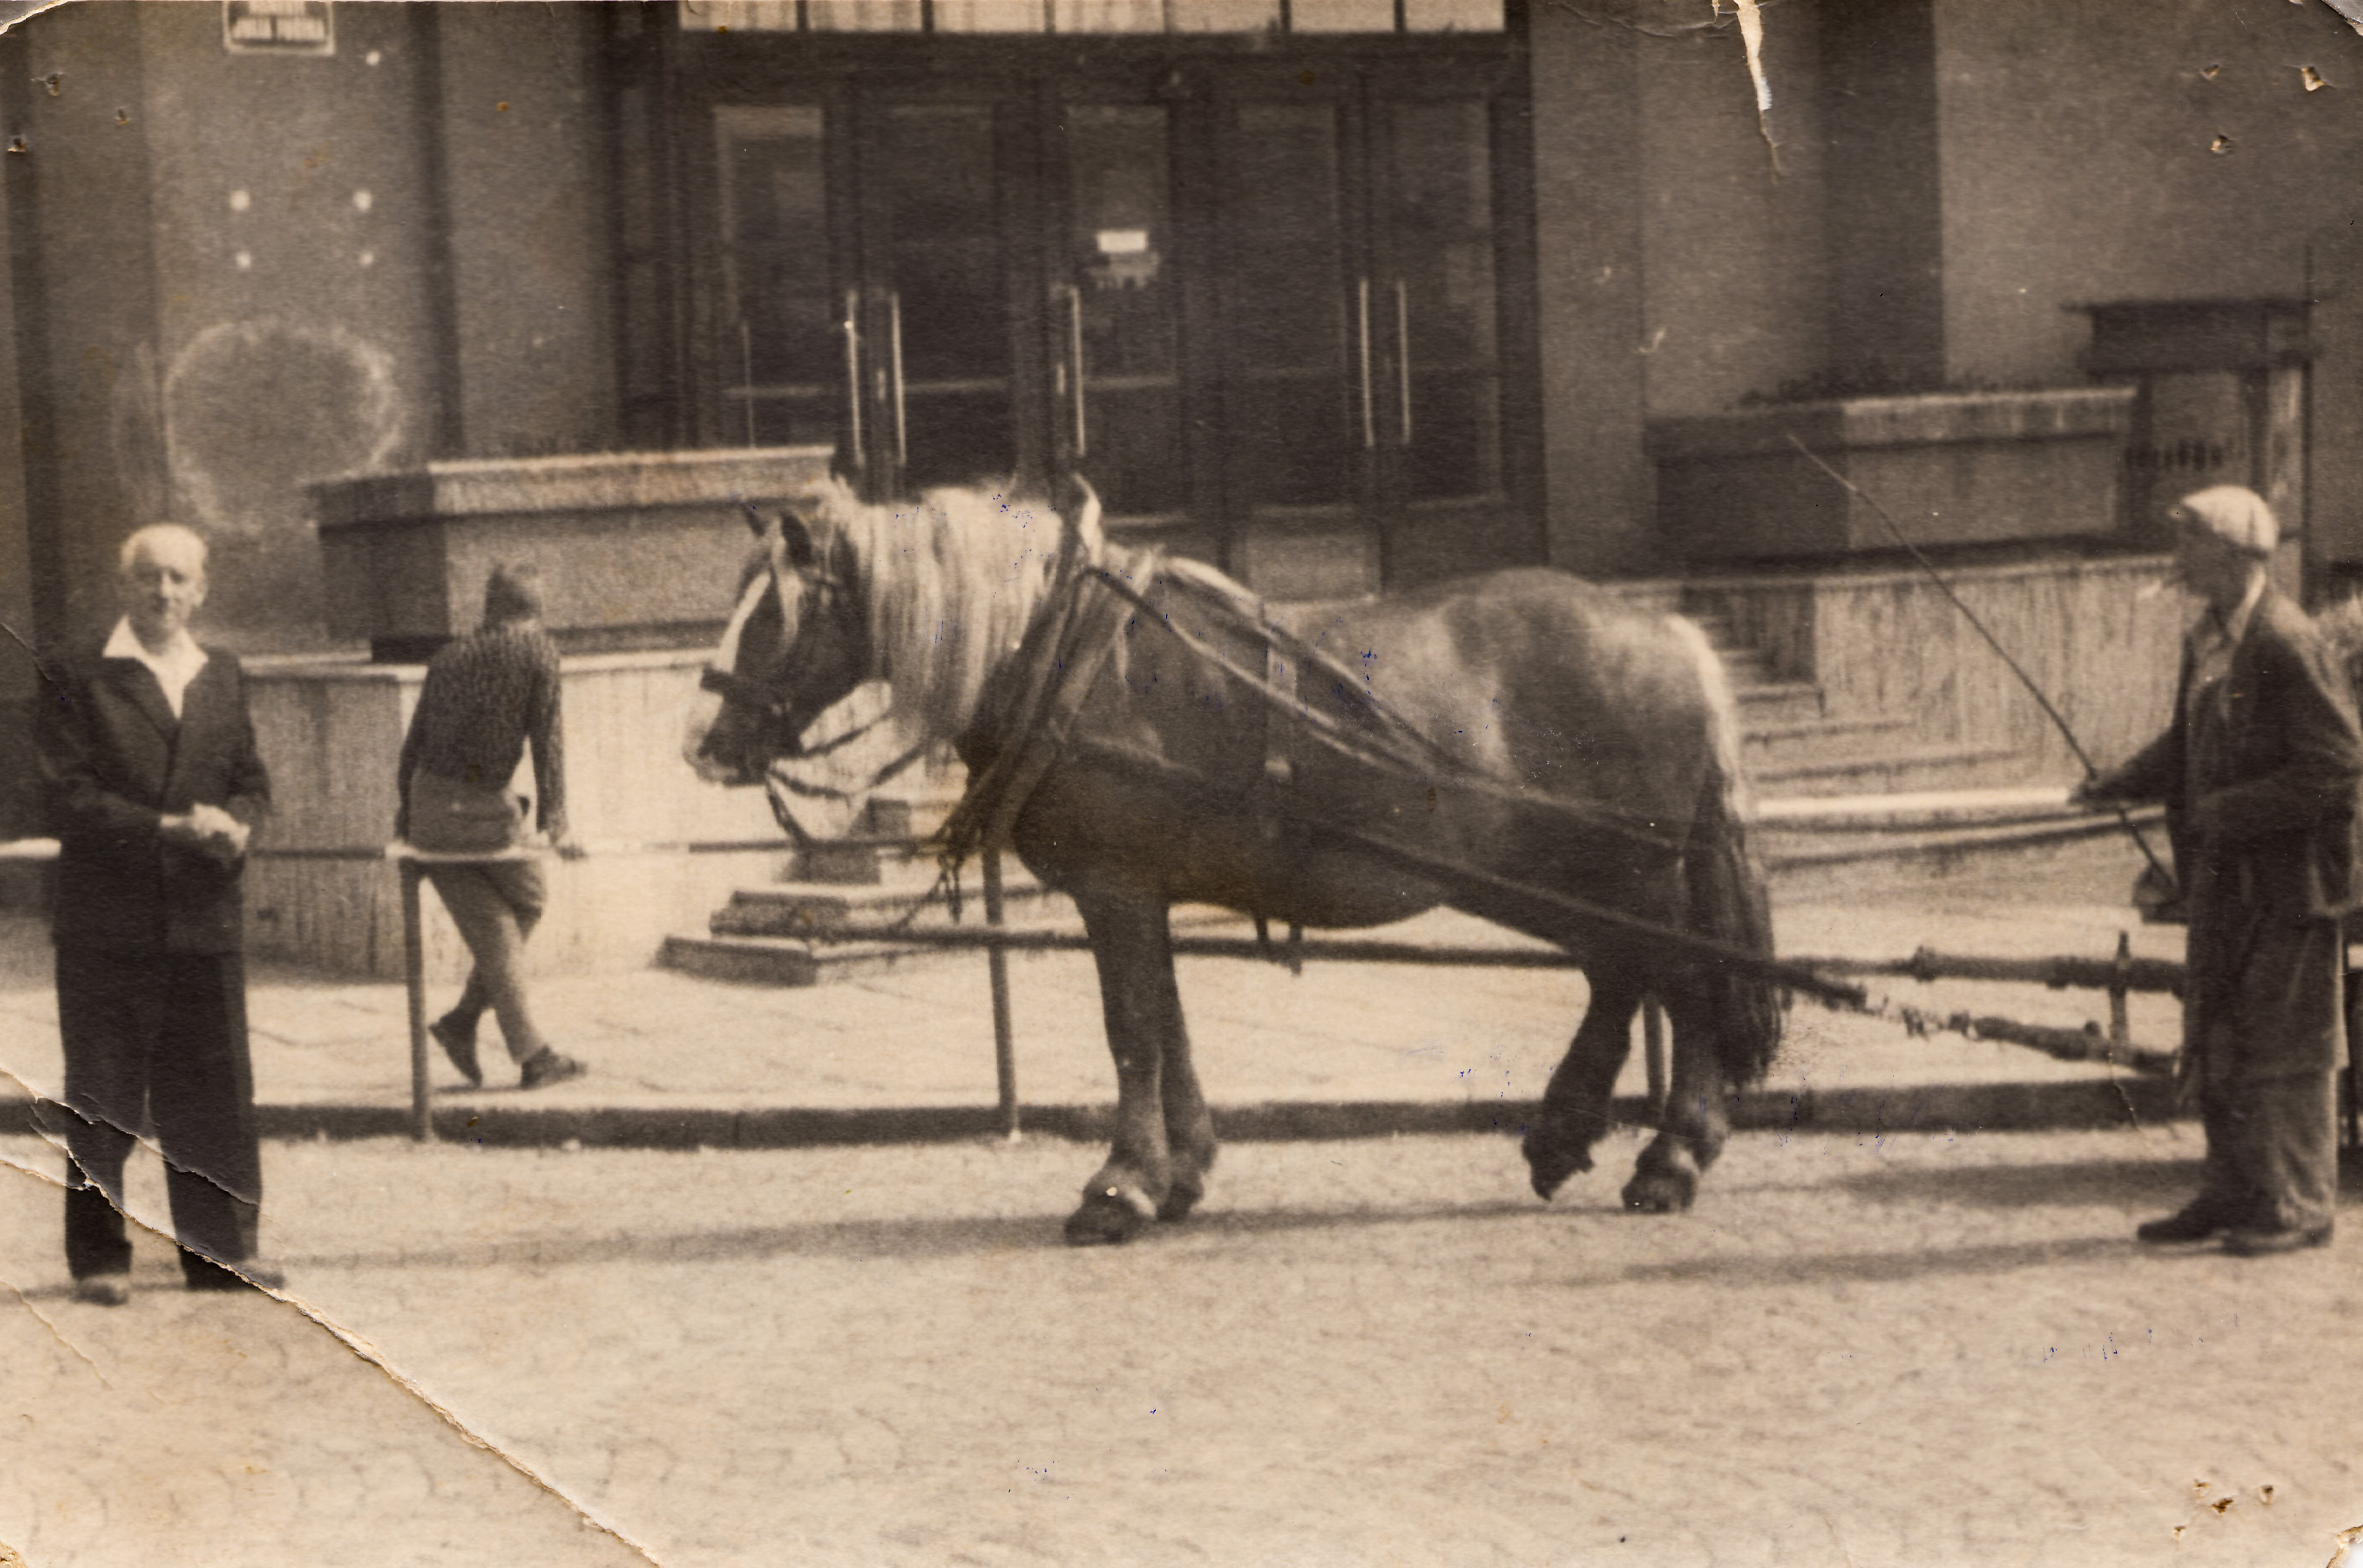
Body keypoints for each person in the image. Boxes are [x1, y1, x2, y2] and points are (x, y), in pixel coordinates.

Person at [2076, 484, 2362, 1256]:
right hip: (2223, 880)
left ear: (2236, 554)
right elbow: (2187, 740)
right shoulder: (2208, 636)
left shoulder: (2287, 640)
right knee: (2220, 1033)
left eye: (2191, 542)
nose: (2179, 556)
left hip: (2292, 885)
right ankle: (2232, 1189)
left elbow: (2337, 768)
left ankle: (2300, 1205)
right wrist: (2121, 780)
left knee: (2289, 1045)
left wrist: (2229, 809)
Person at [34, 524, 279, 1303]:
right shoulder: (78, 673)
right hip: (111, 920)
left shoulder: (222, 672)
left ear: (201, 590)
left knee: (215, 1090)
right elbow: (67, 797)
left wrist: (240, 823)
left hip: (204, 915)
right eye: (149, 577)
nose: (163, 592)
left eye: (178, 578)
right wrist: (170, 827)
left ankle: (221, 1251)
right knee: (104, 1092)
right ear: (125, 584)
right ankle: (100, 1259)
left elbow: (251, 778)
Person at [395, 563, 585, 1091]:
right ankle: (530, 1055)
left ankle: (462, 1023)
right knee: (524, 904)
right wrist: (557, 824)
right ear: (536, 611)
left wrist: (406, 825)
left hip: (430, 811)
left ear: (489, 607)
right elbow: (548, 741)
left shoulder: (448, 656)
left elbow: (412, 746)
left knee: (499, 918)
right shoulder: (538, 652)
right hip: (482, 813)